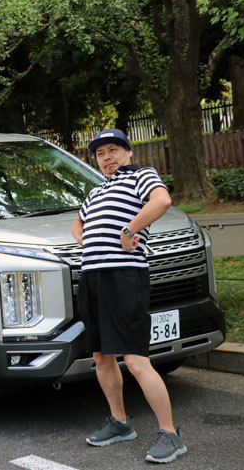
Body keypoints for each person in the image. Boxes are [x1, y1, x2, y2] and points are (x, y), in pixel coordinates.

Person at [71, 129, 186, 464]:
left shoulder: (141, 175)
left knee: (135, 359)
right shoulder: (96, 191)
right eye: (100, 153)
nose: (107, 158)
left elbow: (162, 201)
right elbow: (77, 225)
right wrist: (89, 245)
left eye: (113, 150)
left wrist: (128, 230)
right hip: (93, 278)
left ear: (128, 152)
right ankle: (120, 422)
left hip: (124, 276)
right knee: (102, 356)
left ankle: (170, 433)